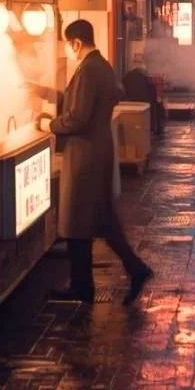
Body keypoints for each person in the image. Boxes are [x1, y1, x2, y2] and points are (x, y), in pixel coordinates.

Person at [50, 19, 153, 305]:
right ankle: (130, 270)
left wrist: (50, 123)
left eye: (69, 45)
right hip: (97, 151)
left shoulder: (88, 70)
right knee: (101, 220)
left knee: (76, 220)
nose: (69, 51)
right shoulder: (103, 67)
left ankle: (84, 285)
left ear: (76, 43)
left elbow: (77, 118)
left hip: (84, 155)